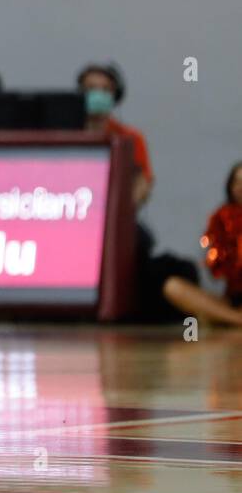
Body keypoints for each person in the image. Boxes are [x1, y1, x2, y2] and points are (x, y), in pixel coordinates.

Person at [162, 162, 242, 326]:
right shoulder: (220, 219)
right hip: (231, 300)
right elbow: (215, 269)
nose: (241, 187)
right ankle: (235, 319)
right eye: (237, 182)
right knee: (173, 287)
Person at [77, 62, 151, 206]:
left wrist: (121, 208)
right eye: (91, 89)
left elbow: (143, 182)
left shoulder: (130, 138)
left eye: (105, 90)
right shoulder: (67, 134)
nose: (98, 95)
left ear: (115, 95)